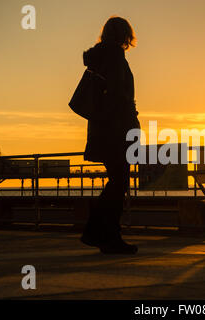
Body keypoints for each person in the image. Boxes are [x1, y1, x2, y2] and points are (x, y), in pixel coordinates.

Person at [80, 16, 140, 254]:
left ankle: (102, 235)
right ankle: (103, 234)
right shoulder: (115, 57)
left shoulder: (99, 59)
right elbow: (118, 96)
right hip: (116, 131)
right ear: (125, 36)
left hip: (102, 129)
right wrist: (131, 120)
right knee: (119, 182)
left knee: (117, 181)